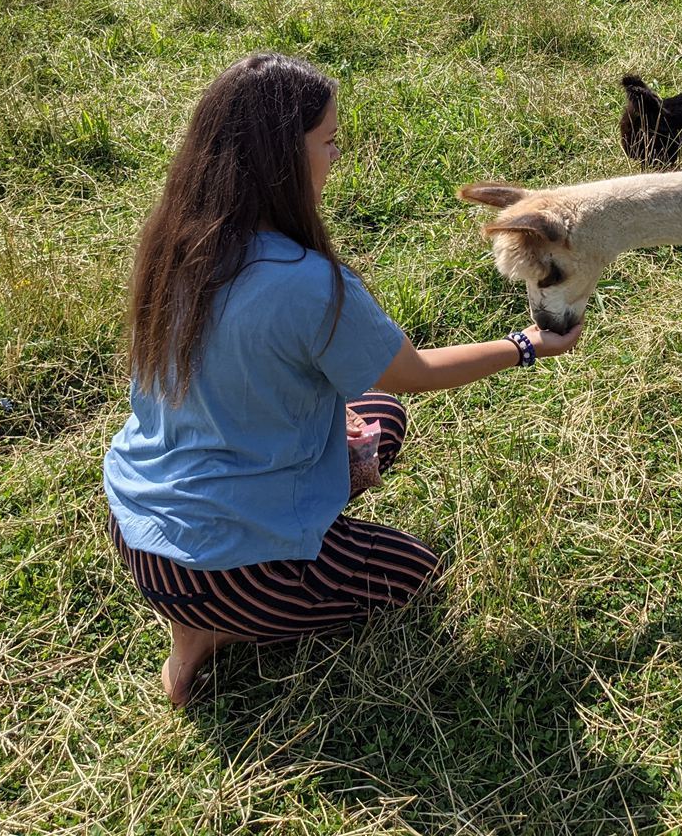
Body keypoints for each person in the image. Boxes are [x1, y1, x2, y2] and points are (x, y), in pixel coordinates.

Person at [103, 52, 581, 706]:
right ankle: (209, 633)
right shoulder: (307, 283)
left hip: (136, 529)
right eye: (328, 143)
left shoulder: (173, 240)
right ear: (280, 159)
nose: (335, 158)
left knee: (372, 411)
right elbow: (412, 373)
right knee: (417, 575)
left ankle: (194, 631)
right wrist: (524, 345)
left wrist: (331, 416)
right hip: (229, 572)